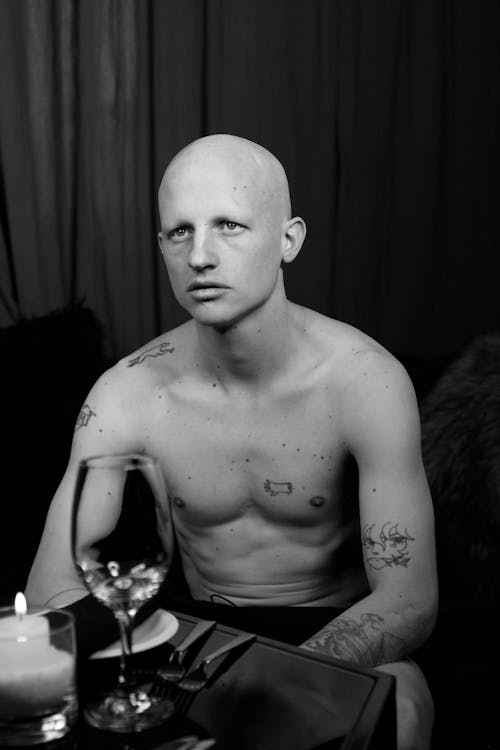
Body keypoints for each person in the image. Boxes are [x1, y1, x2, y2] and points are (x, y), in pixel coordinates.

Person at [26, 134, 438, 749]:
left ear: (288, 240)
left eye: (230, 226)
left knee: (403, 698)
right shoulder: (128, 392)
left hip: (336, 630)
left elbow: (410, 596)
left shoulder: (365, 381)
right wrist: (154, 650)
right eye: (179, 232)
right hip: (191, 639)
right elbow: (47, 588)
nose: (200, 256)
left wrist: (280, 673)